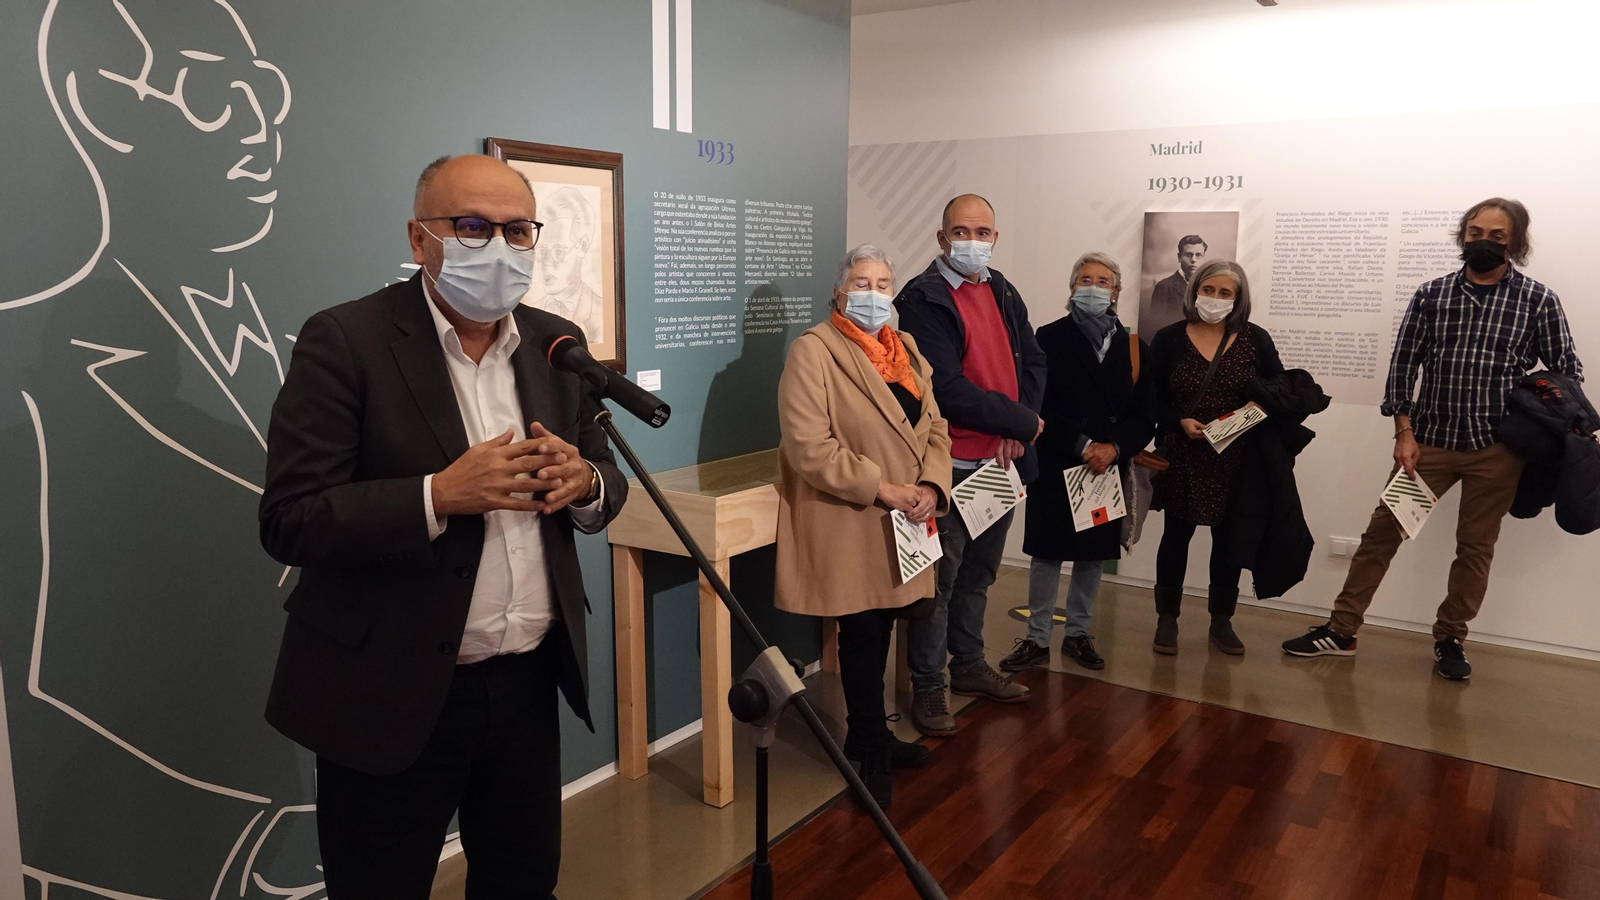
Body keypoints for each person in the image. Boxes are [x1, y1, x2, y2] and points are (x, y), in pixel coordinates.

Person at [258, 154, 628, 899]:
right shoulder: (346, 340)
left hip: (527, 682)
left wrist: (583, 482)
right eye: (470, 226)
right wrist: (436, 495)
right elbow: (290, 520)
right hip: (392, 689)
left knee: (521, 884)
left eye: (516, 229)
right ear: (420, 237)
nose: (496, 245)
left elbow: (607, 478)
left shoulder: (557, 343)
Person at [1283, 198, 1583, 681]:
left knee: (1475, 548)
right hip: (1427, 446)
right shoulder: (1432, 294)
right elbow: (1404, 366)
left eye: (1497, 235)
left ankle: (1450, 640)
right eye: (1474, 230)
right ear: (1462, 235)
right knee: (1381, 536)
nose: (1483, 241)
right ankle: (1342, 631)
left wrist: (1533, 413)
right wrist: (1403, 432)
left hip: (1498, 452)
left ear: (1516, 242)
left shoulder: (1537, 300)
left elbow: (1567, 371)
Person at [774, 244, 952, 809]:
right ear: (838, 291)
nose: (872, 294)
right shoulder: (813, 351)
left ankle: (866, 733)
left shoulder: (909, 350)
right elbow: (808, 445)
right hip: (852, 515)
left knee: (891, 622)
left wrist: (930, 486)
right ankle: (871, 747)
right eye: (861, 282)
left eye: (882, 283)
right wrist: (883, 487)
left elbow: (936, 427)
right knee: (862, 632)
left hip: (908, 516)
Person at [895, 194, 1047, 736]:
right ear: (941, 239)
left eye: (982, 231)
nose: (972, 241)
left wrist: (1017, 422)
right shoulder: (922, 298)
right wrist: (1018, 423)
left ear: (995, 237)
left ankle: (969, 666)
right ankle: (929, 687)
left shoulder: (1002, 288)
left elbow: (1033, 359)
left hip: (1000, 467)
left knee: (979, 576)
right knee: (940, 582)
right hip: (951, 465)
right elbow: (946, 389)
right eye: (960, 231)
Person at [1001, 253, 1155, 673]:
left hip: (1108, 466)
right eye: (1085, 279)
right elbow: (1038, 402)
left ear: (1116, 292)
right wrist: (1083, 443)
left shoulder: (1134, 348)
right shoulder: (1047, 338)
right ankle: (1035, 638)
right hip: (1058, 459)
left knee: (1092, 555)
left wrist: (1114, 448)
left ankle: (1078, 634)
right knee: (1047, 553)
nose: (1093, 286)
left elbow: (1146, 413)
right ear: (1072, 288)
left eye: (1103, 281)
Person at [1146, 259, 1284, 656]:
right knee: (1176, 537)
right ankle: (1167, 620)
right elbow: (1151, 398)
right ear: (1195, 291)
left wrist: (1246, 417)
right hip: (1183, 451)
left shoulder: (1255, 339)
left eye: (1226, 293)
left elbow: (1278, 391)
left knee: (1228, 541)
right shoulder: (1170, 338)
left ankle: (1221, 621)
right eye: (1209, 290)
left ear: (1238, 299)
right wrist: (1179, 421)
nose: (1216, 299)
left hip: (1237, 456)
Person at [529, 185, 605, 343]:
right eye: (542, 252)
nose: (547, 263)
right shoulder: (527, 315)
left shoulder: (598, 311)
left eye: (559, 252)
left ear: (583, 245)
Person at [1146, 235, 1208, 330]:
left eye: (1198, 255)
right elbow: (1155, 326)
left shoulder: (1208, 287)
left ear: (1204, 258)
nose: (1193, 260)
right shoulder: (1164, 287)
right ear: (1179, 257)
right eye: (1188, 255)